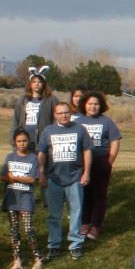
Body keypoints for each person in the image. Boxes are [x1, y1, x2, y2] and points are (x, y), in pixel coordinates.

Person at [37, 101, 92, 259]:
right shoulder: (48, 131)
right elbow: (41, 153)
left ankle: (75, 244)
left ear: (70, 113)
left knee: (76, 212)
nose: (64, 115)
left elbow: (87, 151)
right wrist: (41, 172)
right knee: (54, 214)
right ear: (55, 115)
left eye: (66, 112)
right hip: (53, 178)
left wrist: (86, 172)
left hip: (75, 178)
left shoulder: (79, 129)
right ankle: (54, 244)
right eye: (60, 113)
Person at [74, 92, 122, 241]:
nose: (93, 107)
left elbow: (115, 140)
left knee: (99, 195)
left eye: (96, 104)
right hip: (81, 163)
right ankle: (84, 223)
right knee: (84, 194)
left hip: (100, 161)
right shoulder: (77, 121)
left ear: (101, 106)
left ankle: (96, 225)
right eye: (90, 104)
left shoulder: (107, 122)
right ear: (84, 105)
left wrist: (110, 160)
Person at [1, 129, 43, 269]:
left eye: (24, 141)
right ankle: (17, 259)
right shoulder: (10, 157)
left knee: (28, 229)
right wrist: (10, 177)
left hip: (26, 198)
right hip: (12, 198)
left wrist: (16, 177)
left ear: (28, 142)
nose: (21, 144)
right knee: (14, 230)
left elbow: (32, 179)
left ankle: (38, 257)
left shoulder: (33, 158)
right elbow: (4, 176)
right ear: (15, 142)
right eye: (19, 141)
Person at [11, 68, 57, 142]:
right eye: (34, 82)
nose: (37, 84)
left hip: (44, 139)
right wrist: (13, 140)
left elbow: (56, 120)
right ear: (30, 84)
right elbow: (15, 121)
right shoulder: (22, 100)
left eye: (40, 82)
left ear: (44, 84)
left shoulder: (51, 100)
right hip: (26, 140)